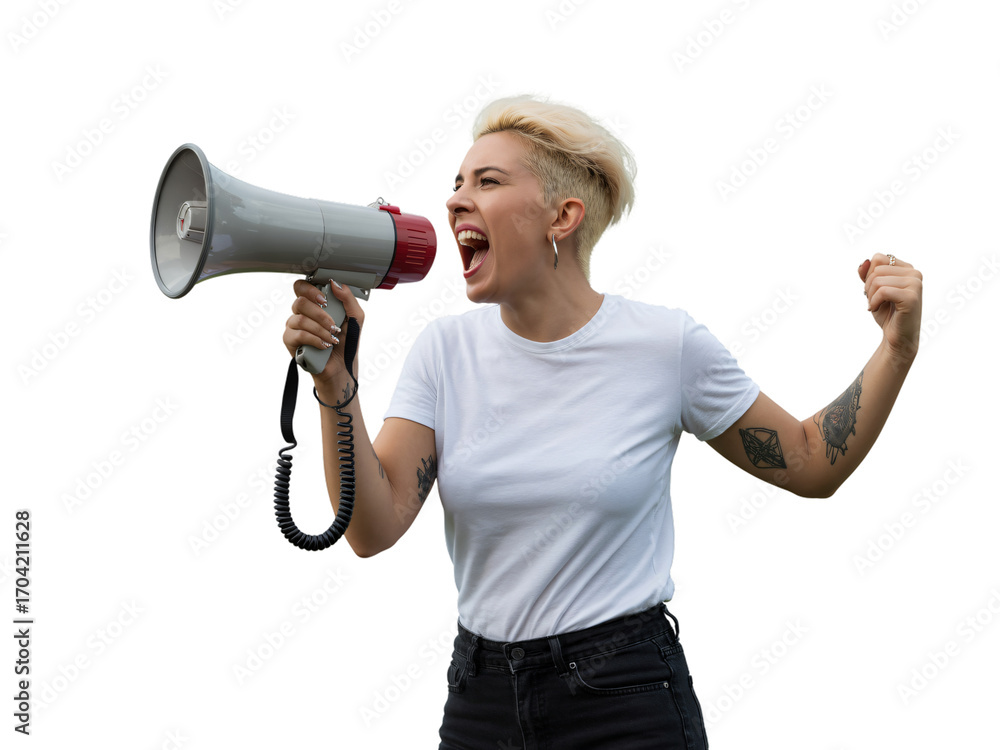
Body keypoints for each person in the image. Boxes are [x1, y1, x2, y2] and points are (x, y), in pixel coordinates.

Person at [282, 95, 922, 749]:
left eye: (488, 181)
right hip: (484, 704)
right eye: (457, 183)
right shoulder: (444, 353)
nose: (455, 201)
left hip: (624, 699)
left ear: (563, 216)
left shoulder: (664, 347)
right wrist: (337, 386)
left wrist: (895, 351)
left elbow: (812, 460)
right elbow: (373, 527)